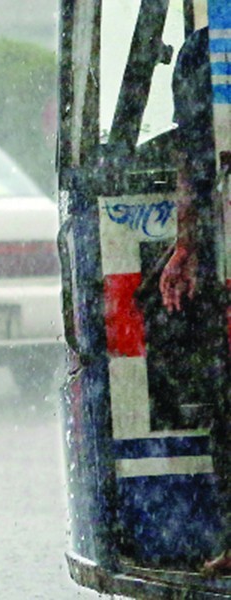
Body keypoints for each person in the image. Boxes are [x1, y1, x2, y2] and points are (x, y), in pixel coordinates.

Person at [158, 27, 231, 576]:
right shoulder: (205, 51)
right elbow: (192, 160)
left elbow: (190, 159)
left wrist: (187, 242)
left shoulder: (207, 50)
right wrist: (187, 244)